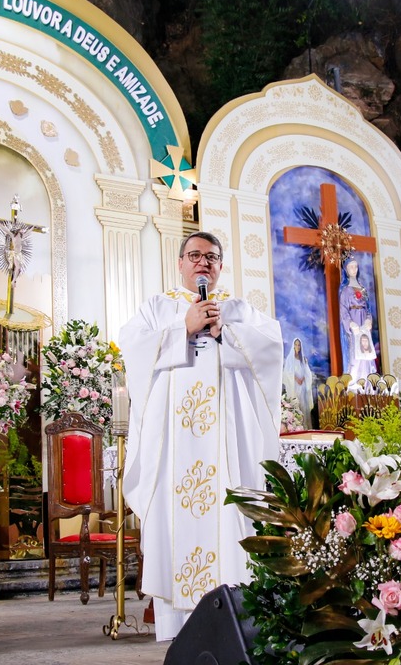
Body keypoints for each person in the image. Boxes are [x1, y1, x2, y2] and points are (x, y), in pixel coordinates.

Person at [119, 231, 283, 641]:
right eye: (194, 255)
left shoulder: (238, 309)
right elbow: (131, 349)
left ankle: (233, 625)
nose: (202, 263)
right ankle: (178, 633)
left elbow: (271, 349)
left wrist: (227, 333)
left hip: (227, 449)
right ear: (180, 263)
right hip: (173, 448)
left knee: (231, 521)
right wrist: (183, 329)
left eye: (211, 257)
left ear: (221, 266)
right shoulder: (158, 309)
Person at [339, 257, 376, 375]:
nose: (354, 269)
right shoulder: (344, 291)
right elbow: (343, 311)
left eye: (356, 266)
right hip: (354, 324)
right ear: (346, 270)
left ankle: (367, 383)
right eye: (351, 267)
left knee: (366, 350)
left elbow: (368, 308)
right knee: (355, 351)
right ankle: (354, 384)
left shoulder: (363, 289)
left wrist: (369, 320)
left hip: (363, 323)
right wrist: (350, 323)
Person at [283, 337, 314, 428]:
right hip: (294, 386)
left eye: (299, 345)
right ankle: (296, 426)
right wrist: (296, 378)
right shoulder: (290, 359)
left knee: (304, 407)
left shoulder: (303, 359)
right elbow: (287, 373)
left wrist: (303, 378)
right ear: (293, 346)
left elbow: (307, 372)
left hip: (302, 386)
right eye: (296, 344)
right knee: (296, 405)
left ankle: (305, 427)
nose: (297, 346)